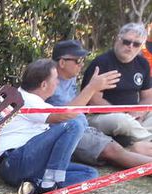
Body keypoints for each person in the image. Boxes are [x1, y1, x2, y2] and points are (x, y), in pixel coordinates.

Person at [0, 59, 97, 194]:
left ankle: (36, 186)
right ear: (44, 84)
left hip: (25, 165)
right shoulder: (27, 99)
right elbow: (67, 116)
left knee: (90, 173)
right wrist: (91, 88)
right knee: (73, 124)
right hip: (15, 160)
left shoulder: (29, 98)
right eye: (56, 79)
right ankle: (50, 186)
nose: (58, 83)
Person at [49, 40, 152, 170]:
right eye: (78, 61)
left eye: (82, 60)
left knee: (120, 149)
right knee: (114, 150)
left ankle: (138, 150)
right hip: (66, 130)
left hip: (82, 126)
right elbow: (64, 115)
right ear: (62, 63)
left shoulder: (70, 77)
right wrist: (92, 88)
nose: (81, 65)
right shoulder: (49, 82)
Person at [81, 23, 152, 143]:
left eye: (136, 44)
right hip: (101, 116)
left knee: (134, 122)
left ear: (141, 46)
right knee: (122, 122)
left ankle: (139, 141)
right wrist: (125, 114)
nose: (130, 47)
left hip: (133, 116)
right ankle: (146, 140)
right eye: (126, 42)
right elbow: (94, 101)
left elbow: (148, 97)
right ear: (118, 39)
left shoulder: (142, 64)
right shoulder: (102, 63)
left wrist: (140, 112)